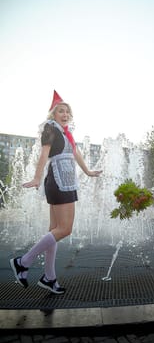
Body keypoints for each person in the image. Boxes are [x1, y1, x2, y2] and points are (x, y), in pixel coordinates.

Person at [10, 90, 102, 294]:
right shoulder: (50, 129)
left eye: (68, 111)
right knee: (65, 229)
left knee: (54, 230)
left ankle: (49, 277)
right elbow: (43, 156)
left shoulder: (66, 133)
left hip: (66, 181)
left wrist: (87, 171)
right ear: (53, 114)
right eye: (61, 111)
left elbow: (76, 154)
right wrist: (36, 178)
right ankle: (23, 262)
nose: (65, 114)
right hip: (58, 181)